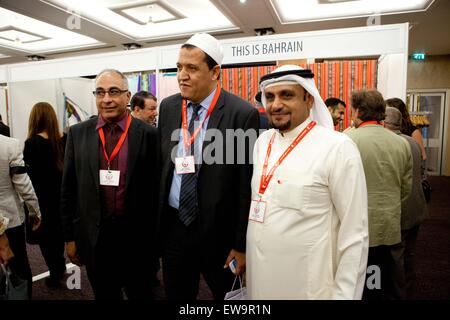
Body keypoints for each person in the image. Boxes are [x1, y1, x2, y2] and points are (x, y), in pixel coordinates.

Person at [246, 65, 368, 300]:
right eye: (269, 97)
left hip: (307, 286)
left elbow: (355, 234)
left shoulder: (337, 147)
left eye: (287, 95)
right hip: (259, 279)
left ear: (309, 99)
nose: (276, 104)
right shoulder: (262, 142)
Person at [158, 33, 260, 300]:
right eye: (179, 67)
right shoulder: (168, 108)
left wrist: (240, 244)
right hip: (175, 228)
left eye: (191, 68)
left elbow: (243, 186)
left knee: (228, 298)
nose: (182, 75)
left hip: (219, 234)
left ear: (215, 72)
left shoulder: (240, 113)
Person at [60, 69, 159, 300]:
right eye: (100, 92)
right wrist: (70, 238)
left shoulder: (149, 135)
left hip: (137, 241)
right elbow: (68, 191)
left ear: (127, 96)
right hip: (96, 240)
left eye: (114, 92)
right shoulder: (77, 134)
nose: (106, 99)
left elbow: (156, 192)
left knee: (141, 295)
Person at [346, 90, 412, 300]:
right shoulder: (402, 143)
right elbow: (406, 188)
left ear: (357, 111)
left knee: (359, 283)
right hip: (390, 225)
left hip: (357, 227)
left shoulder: (346, 140)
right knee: (388, 281)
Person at [383, 106, 428, 299]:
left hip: (400, 209)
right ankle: (409, 288)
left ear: (384, 123)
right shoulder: (413, 142)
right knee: (410, 253)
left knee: (396, 257)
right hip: (417, 207)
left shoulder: (391, 144)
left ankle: (399, 294)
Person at [23, 102, 67, 288]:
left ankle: (56, 270)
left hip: (41, 199)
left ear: (34, 119)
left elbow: (29, 177)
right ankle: (60, 266)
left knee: (45, 239)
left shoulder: (32, 144)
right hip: (62, 197)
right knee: (58, 236)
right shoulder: (63, 139)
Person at [0, 134, 41, 298]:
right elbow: (23, 185)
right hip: (10, 221)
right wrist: (34, 211)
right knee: (20, 267)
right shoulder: (9, 145)